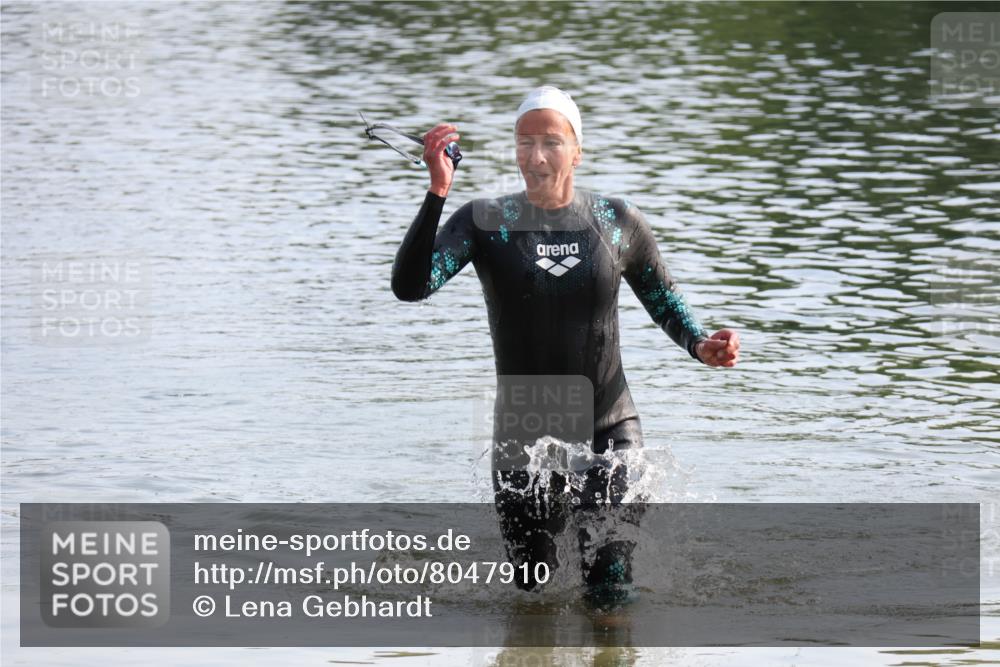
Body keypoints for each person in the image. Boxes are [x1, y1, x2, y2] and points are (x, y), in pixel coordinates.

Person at [391, 86, 740, 605]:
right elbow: (410, 286)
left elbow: (664, 300)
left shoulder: (616, 222)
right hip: (523, 440)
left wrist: (699, 344)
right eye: (524, 142)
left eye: (551, 142)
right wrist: (437, 191)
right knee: (534, 598)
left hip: (609, 428)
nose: (536, 156)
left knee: (608, 590)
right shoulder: (486, 223)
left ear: (577, 151)